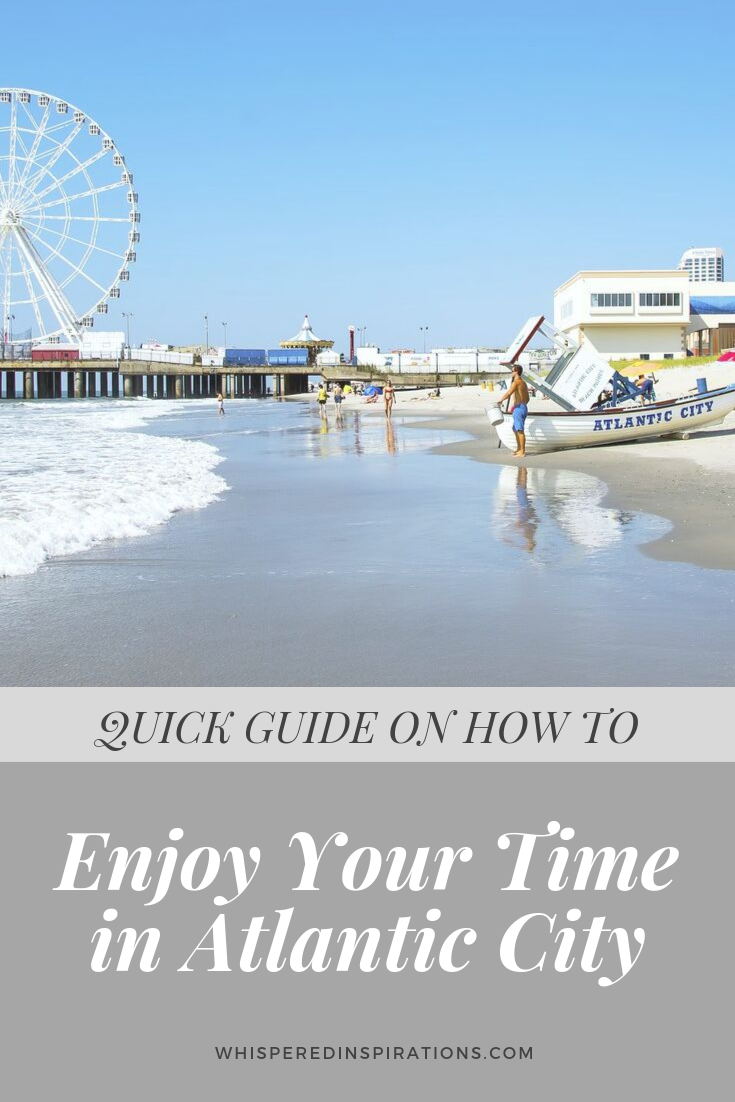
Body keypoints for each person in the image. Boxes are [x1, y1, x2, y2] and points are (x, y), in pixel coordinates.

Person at [503, 364, 530, 457]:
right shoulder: (523, 382)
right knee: (515, 429)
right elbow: (528, 398)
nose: (511, 372)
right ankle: (519, 449)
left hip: (519, 408)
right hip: (522, 407)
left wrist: (500, 400)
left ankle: (522, 452)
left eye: (512, 371)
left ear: (516, 372)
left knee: (520, 430)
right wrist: (520, 405)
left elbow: (509, 393)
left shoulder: (516, 382)